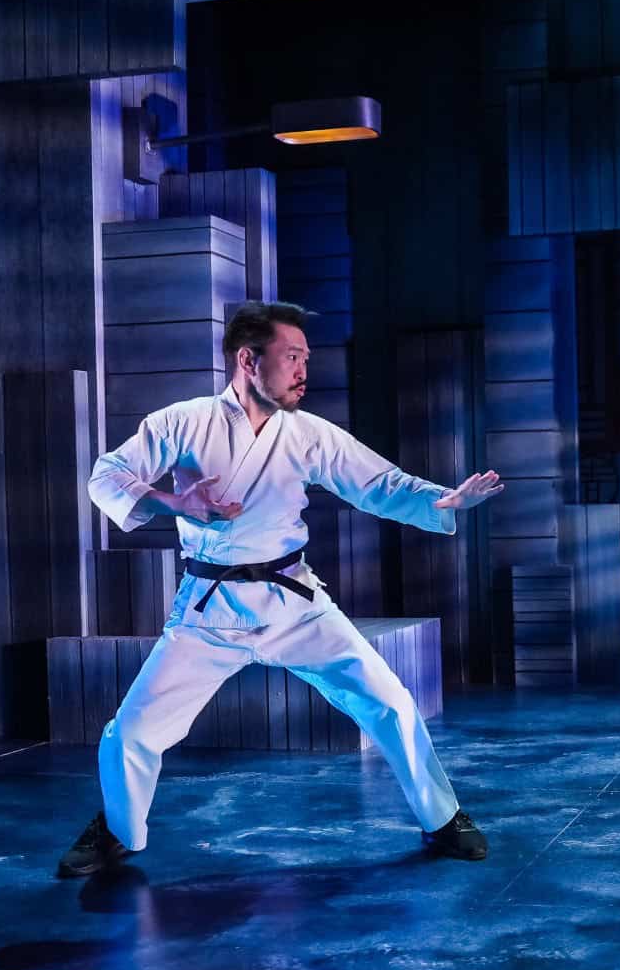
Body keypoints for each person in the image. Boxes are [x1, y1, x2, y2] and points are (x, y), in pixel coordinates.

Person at [56, 301, 503, 878]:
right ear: (248, 359)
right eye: (291, 356)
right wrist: (175, 502)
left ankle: (443, 817)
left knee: (389, 701)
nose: (302, 371)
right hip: (209, 609)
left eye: (305, 359)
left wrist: (443, 500)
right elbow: (107, 474)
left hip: (294, 601)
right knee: (133, 731)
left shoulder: (308, 433)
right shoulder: (183, 422)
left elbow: (379, 483)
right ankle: (119, 832)